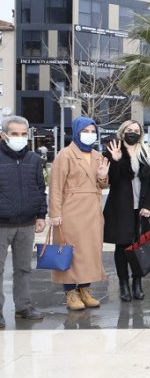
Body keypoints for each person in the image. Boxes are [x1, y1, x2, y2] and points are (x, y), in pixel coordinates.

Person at [49, 116, 110, 310]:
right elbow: (55, 187)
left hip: (92, 211)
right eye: (85, 131)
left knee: (90, 251)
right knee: (70, 251)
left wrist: (103, 176)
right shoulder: (65, 154)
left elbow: (103, 184)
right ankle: (70, 292)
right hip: (71, 211)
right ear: (76, 132)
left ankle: (85, 289)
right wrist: (55, 213)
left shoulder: (97, 155)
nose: (89, 135)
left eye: (93, 132)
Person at [102, 121, 150, 302]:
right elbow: (112, 180)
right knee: (122, 246)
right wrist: (116, 161)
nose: (132, 133)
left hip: (142, 209)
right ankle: (123, 284)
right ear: (122, 132)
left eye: (136, 130)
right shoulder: (113, 150)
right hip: (121, 208)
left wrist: (149, 205)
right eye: (129, 130)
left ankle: (137, 282)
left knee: (140, 246)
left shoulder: (147, 151)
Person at [0, 116, 46, 325]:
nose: (19, 138)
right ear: (3, 135)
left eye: (22, 134)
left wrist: (41, 215)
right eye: (14, 134)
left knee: (23, 268)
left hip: (26, 224)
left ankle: (24, 306)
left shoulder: (34, 159)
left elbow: (39, 189)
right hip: (1, 224)